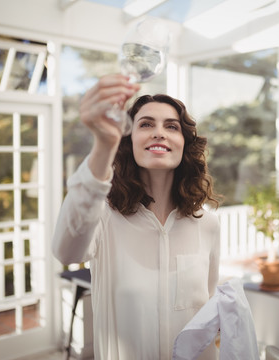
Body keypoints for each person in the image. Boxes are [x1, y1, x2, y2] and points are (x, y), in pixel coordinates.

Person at [52, 74, 222, 359]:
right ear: (128, 141)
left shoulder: (208, 224)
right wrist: (104, 144)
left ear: (184, 143)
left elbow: (207, 314)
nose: (159, 132)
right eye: (146, 124)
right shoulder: (104, 217)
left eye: (172, 126)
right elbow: (66, 251)